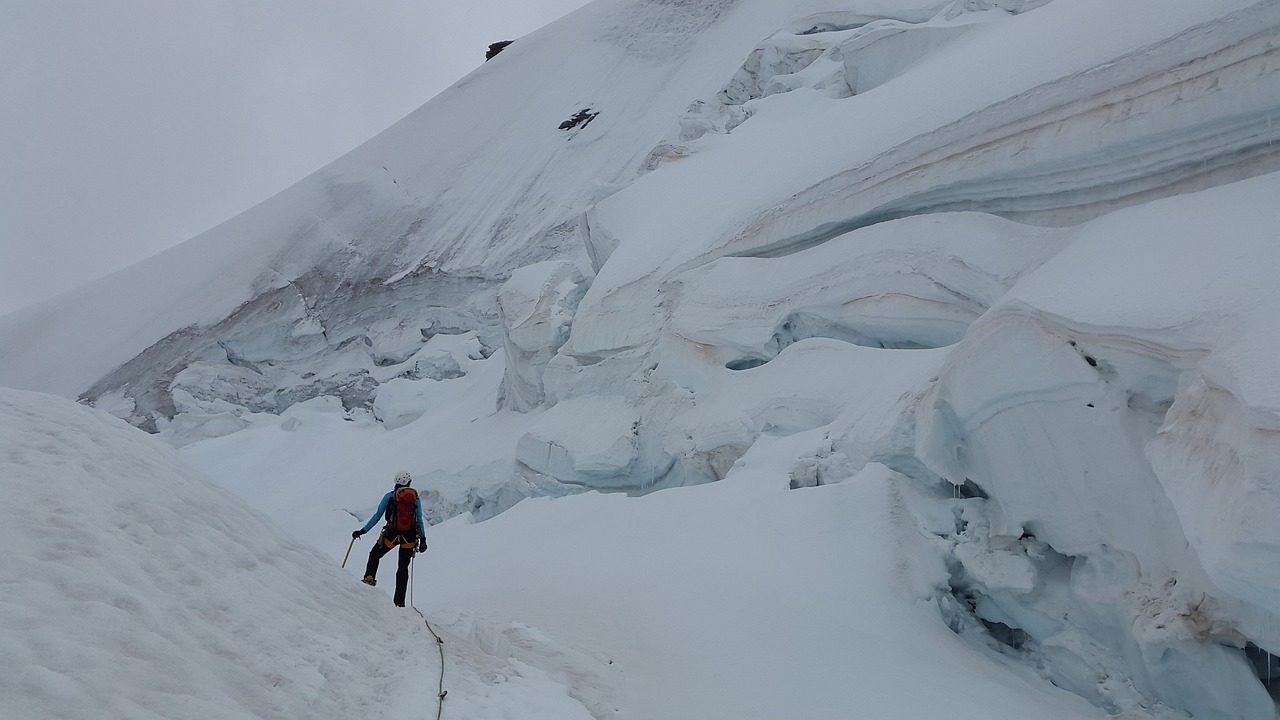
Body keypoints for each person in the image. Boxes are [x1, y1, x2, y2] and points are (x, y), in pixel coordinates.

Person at [352, 471, 427, 607]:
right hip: (409, 537)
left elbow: (377, 516)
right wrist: (423, 540)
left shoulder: (389, 496)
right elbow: (419, 520)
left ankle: (369, 579)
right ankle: (399, 603)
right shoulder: (415, 498)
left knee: (375, 554)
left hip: (391, 535)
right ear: (409, 482)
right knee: (403, 568)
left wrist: (363, 531)